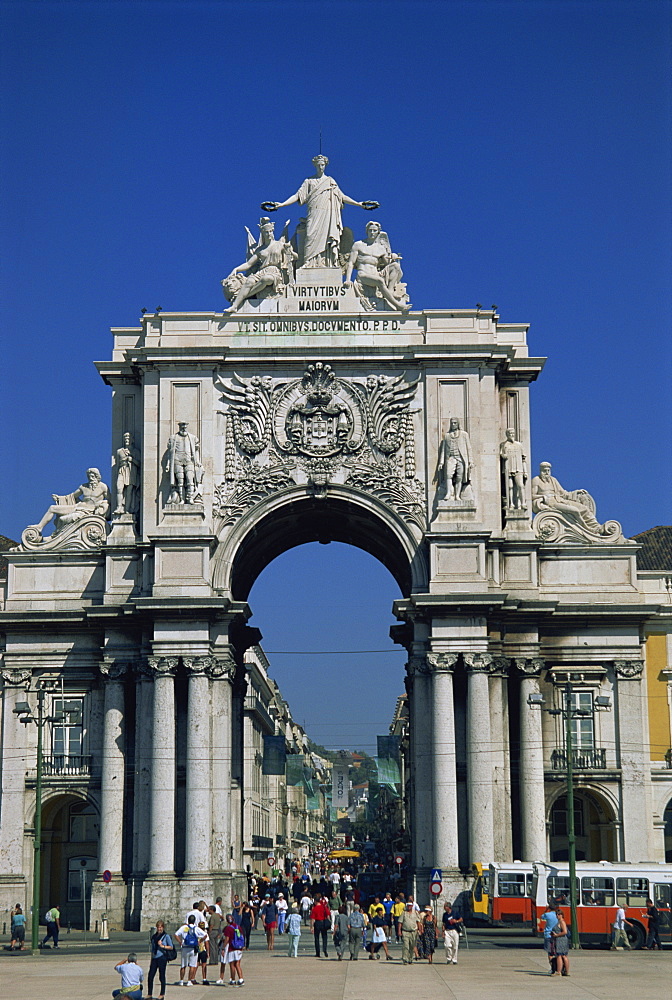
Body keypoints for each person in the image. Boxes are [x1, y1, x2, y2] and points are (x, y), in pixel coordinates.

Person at [262, 154, 378, 268]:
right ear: (315, 165)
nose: (320, 167)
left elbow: (342, 196)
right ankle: (309, 263)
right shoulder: (309, 181)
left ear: (325, 165)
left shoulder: (330, 181)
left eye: (322, 165)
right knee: (310, 236)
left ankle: (327, 263)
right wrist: (281, 204)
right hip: (314, 213)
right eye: (318, 165)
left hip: (328, 214)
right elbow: (297, 196)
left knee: (328, 237)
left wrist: (359, 204)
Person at [223, 217, 296, 313]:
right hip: (262, 271)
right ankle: (235, 306)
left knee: (267, 279)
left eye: (271, 232)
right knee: (249, 282)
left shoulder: (280, 245)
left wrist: (290, 250)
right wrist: (236, 269)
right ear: (263, 234)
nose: (269, 234)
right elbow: (249, 264)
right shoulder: (260, 250)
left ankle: (245, 295)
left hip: (274, 272)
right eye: (267, 232)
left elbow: (295, 256)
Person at [344, 220, 410, 311]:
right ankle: (397, 305)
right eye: (370, 230)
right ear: (366, 231)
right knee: (380, 281)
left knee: (395, 266)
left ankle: (390, 291)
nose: (372, 232)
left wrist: (392, 257)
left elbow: (387, 263)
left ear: (378, 232)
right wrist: (348, 280)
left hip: (375, 273)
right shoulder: (358, 245)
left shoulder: (381, 248)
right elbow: (351, 263)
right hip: (363, 275)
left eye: (374, 230)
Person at [531, 461, 605, 535]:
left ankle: (596, 527)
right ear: (540, 471)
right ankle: (587, 529)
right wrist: (543, 497)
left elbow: (563, 493)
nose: (547, 473)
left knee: (583, 508)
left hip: (560, 499)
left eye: (548, 471)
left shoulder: (553, 480)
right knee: (575, 511)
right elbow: (531, 495)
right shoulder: (536, 480)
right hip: (551, 503)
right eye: (544, 471)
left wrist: (577, 492)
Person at [33, 470, 110, 537]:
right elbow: (72, 496)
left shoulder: (103, 487)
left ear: (97, 477)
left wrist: (103, 504)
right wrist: (59, 498)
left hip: (89, 511)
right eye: (89, 477)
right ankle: (40, 526)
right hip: (78, 507)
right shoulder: (84, 487)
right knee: (52, 508)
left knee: (62, 519)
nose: (91, 479)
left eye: (92, 476)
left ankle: (56, 535)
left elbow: (110, 500)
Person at [166, 422, 202, 505]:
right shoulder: (173, 438)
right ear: (179, 427)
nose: (183, 428)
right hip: (177, 461)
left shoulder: (192, 438)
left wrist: (197, 461)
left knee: (190, 480)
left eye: (185, 426)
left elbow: (196, 451)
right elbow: (170, 453)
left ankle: (190, 498)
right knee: (180, 482)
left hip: (189, 461)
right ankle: (182, 499)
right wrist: (168, 464)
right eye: (182, 426)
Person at [440, 418, 473, 501]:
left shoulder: (464, 434)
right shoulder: (447, 436)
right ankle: (448, 493)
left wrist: (470, 461)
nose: (453, 424)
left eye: (455, 423)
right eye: (452, 423)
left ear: (458, 424)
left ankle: (457, 495)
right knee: (448, 475)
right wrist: (441, 462)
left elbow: (469, 448)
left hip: (461, 458)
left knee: (459, 477)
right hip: (451, 458)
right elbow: (443, 450)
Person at [114, 431, 141, 516]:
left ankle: (128, 509)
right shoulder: (119, 451)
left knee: (129, 491)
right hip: (122, 470)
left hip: (132, 470)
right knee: (119, 488)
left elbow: (139, 464)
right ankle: (119, 507)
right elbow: (117, 464)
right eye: (125, 438)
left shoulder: (136, 451)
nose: (126, 440)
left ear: (132, 440)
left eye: (128, 438)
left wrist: (132, 460)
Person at [500, 428, 527, 509]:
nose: (511, 434)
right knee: (510, 486)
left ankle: (523, 503)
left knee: (520, 486)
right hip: (508, 467)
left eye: (512, 433)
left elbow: (523, 459)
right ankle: (511, 503)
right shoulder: (504, 445)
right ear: (507, 434)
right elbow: (502, 454)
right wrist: (503, 456)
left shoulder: (519, 445)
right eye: (509, 433)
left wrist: (525, 471)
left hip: (519, 468)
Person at [175, 913, 205, 985]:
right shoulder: (196, 928)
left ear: (188, 920)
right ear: (194, 921)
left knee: (183, 965)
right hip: (193, 949)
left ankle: (181, 980)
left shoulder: (184, 928)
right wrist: (199, 941)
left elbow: (176, 934)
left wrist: (180, 942)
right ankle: (189, 981)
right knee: (192, 965)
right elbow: (205, 935)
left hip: (185, 948)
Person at [217, 913, 244, 987]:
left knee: (232, 964)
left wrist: (223, 948)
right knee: (238, 964)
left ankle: (233, 979)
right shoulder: (238, 927)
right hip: (239, 947)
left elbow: (227, 939)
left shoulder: (228, 928)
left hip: (232, 948)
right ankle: (241, 979)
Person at [147, 920, 172, 999]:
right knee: (150, 976)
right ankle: (149, 993)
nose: (159, 929)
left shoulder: (166, 936)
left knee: (162, 976)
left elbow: (171, 947)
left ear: (163, 927)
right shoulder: (154, 936)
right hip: (154, 958)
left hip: (162, 957)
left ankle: (162, 994)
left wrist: (162, 946)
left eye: (160, 927)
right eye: (158, 927)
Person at [310, 892, 331, 958]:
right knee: (324, 937)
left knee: (317, 938)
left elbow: (312, 919)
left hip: (317, 923)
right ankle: (325, 949)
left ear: (315, 901)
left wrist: (311, 927)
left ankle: (318, 952)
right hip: (324, 922)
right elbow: (328, 915)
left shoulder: (315, 909)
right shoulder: (324, 907)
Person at [540, 901, 559, 973]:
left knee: (550, 953)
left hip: (548, 935)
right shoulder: (558, 915)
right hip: (557, 935)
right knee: (557, 952)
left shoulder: (547, 915)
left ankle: (552, 968)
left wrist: (546, 909)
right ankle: (558, 967)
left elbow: (541, 917)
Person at [552, 909, 570, 977]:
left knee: (559, 955)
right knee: (564, 956)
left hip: (560, 940)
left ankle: (559, 971)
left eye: (559, 914)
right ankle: (566, 971)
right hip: (562, 940)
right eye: (556, 914)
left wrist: (556, 935)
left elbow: (565, 932)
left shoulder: (562, 922)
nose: (557, 915)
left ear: (562, 915)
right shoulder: (560, 921)